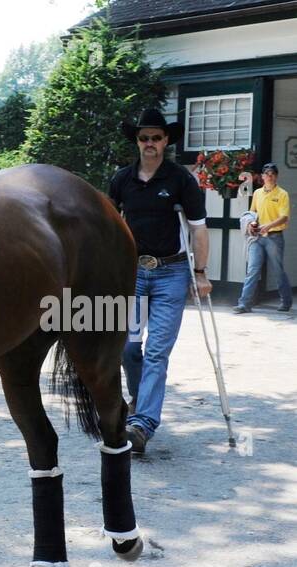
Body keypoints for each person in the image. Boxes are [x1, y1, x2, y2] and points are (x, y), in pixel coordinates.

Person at [107, 107, 210, 455]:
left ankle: (142, 424)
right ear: (137, 141)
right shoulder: (122, 179)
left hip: (171, 274)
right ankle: (139, 401)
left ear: (166, 141)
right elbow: (109, 228)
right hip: (133, 274)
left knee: (156, 352)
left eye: (155, 137)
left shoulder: (180, 179)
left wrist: (201, 273)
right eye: (143, 138)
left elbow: (197, 228)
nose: (149, 143)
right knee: (129, 348)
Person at [235, 162, 292, 313]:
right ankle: (244, 303)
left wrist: (268, 226)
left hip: (274, 237)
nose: (269, 176)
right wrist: (252, 223)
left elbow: (284, 217)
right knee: (252, 269)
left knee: (278, 270)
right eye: (266, 174)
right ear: (262, 177)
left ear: (276, 176)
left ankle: (286, 302)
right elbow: (252, 212)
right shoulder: (258, 193)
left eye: (272, 173)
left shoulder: (282, 194)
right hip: (257, 237)